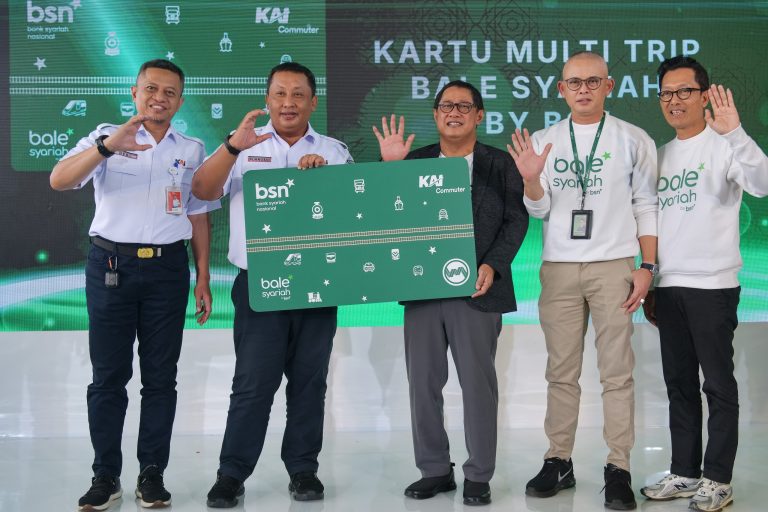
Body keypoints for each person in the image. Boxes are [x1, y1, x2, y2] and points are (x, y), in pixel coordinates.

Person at [49, 59, 217, 510]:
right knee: (108, 377)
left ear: (179, 101)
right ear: (135, 92)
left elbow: (198, 216)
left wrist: (203, 276)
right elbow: (60, 180)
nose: (159, 98)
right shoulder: (106, 136)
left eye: (169, 92)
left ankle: (151, 474)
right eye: (151, 89)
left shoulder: (192, 149)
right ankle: (105, 475)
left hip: (168, 271)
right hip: (111, 267)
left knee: (161, 378)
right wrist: (106, 148)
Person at [191, 62, 353, 508]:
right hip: (260, 284)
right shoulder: (243, 146)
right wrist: (231, 147)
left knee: (309, 383)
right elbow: (202, 191)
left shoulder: (334, 151)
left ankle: (303, 470)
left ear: (313, 102)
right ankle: (231, 474)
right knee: (252, 384)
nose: (288, 102)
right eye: (279, 93)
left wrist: (327, 182)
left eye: (298, 94)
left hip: (318, 283)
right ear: (267, 100)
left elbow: (353, 215)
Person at [507, 51, 658, 510]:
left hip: (615, 266)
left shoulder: (633, 138)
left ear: (609, 86)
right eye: (574, 82)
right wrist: (531, 180)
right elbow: (539, 209)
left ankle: (619, 467)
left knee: (617, 373)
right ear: (561, 89)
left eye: (593, 81)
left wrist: (647, 266)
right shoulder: (545, 140)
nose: (584, 89)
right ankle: (559, 459)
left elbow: (646, 204)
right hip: (559, 268)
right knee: (561, 372)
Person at [372, 80, 528, 505]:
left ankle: (479, 474)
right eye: (446, 105)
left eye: (464, 105)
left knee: (478, 385)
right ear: (436, 114)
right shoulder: (413, 160)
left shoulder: (500, 163)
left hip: (478, 290)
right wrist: (389, 169)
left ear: (480, 115)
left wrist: (493, 265)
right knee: (422, 383)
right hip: (422, 289)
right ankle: (435, 470)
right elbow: (384, 215)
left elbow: (516, 220)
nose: (454, 112)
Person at [640, 56, 768, 512]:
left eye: (684, 91)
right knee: (678, 384)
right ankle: (685, 472)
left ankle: (718, 479)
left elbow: (762, 183)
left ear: (703, 94)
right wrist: (651, 279)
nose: (674, 100)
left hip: (713, 286)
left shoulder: (725, 144)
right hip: (668, 286)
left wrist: (736, 133)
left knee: (717, 385)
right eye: (666, 93)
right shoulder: (659, 155)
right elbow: (651, 220)